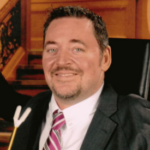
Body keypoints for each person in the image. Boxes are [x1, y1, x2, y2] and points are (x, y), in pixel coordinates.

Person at [11, 6, 150, 150]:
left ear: (105, 59)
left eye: (77, 49)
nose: (61, 61)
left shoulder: (138, 120)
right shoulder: (33, 108)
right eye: (52, 50)